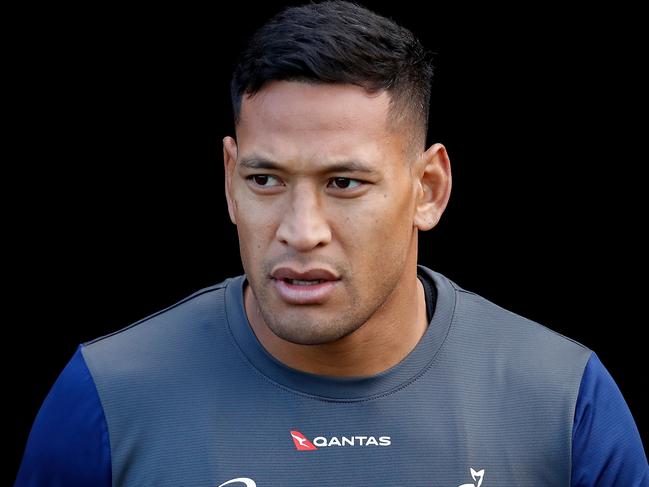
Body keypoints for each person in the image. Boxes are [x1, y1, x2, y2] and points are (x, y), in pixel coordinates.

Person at [15, 1, 647, 486]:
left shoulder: (566, 403)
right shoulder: (105, 397)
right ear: (230, 181)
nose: (301, 229)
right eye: (266, 180)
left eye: (344, 182)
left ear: (428, 189)